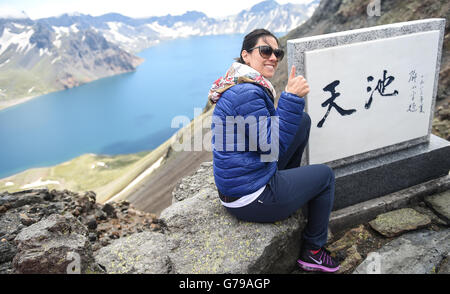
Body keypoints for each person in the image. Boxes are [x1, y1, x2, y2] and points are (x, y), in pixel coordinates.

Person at [208, 29, 340, 273]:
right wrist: (289, 97)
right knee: (325, 176)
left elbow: (266, 139)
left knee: (301, 121)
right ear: (246, 56)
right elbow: (272, 145)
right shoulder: (246, 92)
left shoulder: (243, 83)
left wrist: (291, 105)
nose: (273, 57)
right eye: (265, 51)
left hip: (250, 176)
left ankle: (286, 186)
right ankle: (313, 252)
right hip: (249, 197)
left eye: (277, 52)